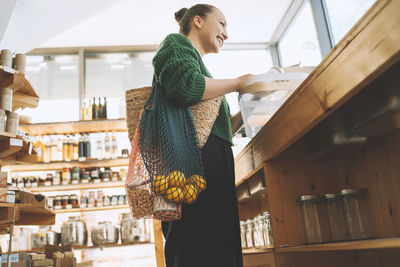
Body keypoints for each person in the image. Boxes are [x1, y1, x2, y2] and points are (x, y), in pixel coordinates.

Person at [152, 4, 250, 267]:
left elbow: (213, 123)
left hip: (205, 160)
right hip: (192, 163)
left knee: (213, 242)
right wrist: (240, 82)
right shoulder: (175, 44)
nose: (225, 33)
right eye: (221, 23)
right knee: (198, 243)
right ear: (197, 21)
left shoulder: (199, 65)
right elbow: (184, 85)